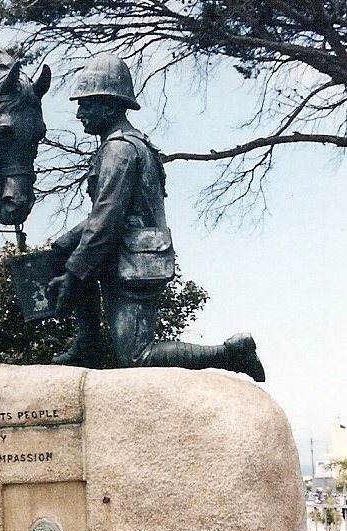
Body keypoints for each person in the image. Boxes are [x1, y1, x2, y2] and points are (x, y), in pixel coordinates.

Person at [47, 54, 265, 381]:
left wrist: (74, 273)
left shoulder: (118, 150)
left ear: (110, 107)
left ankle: (231, 354)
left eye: (87, 105)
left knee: (136, 355)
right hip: (132, 253)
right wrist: (64, 246)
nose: (80, 114)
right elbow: (113, 212)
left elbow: (106, 219)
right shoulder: (134, 144)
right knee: (64, 250)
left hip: (133, 263)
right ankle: (88, 342)